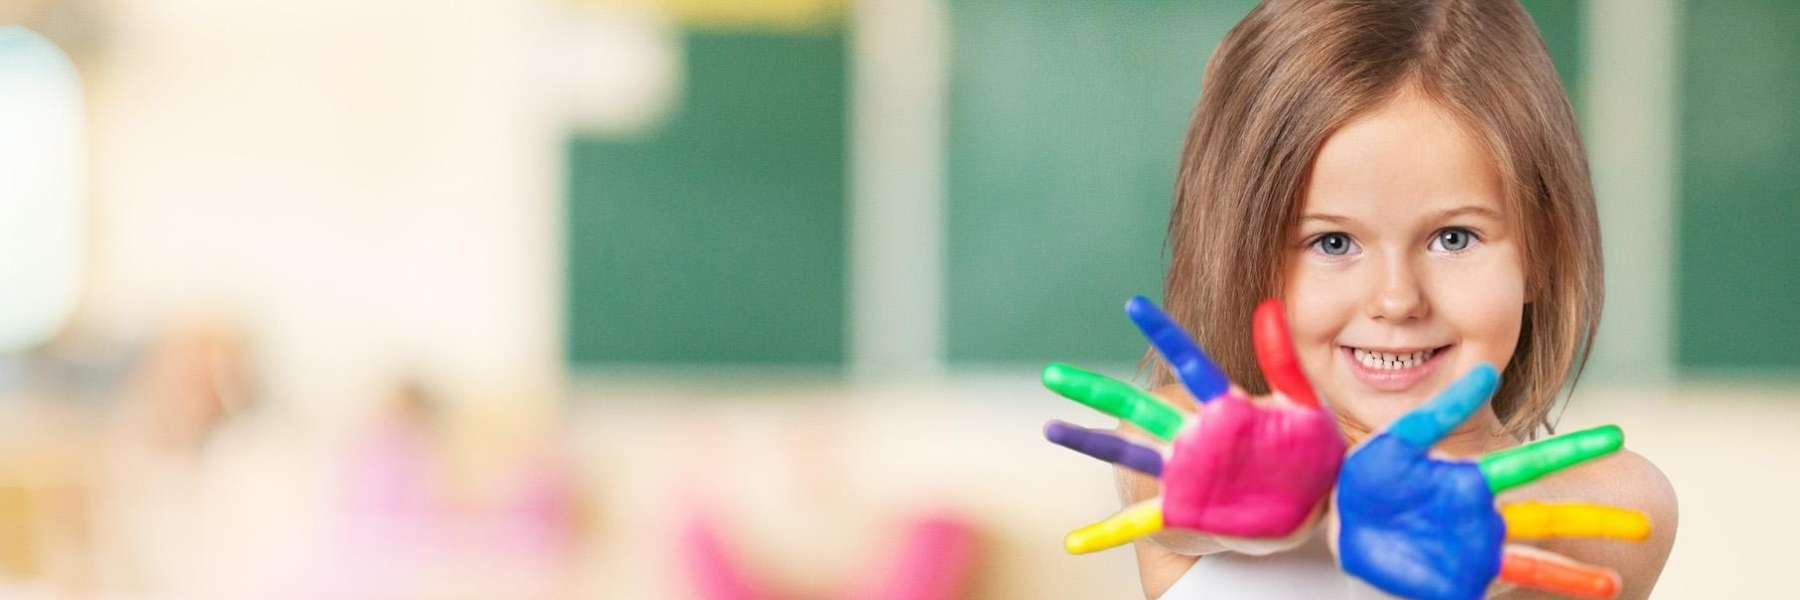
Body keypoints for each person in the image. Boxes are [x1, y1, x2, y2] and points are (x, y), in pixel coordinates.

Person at [1091, 1, 1676, 598]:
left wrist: (1470, 514)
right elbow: (1159, 455)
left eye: (1454, 238)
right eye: (1333, 242)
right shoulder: (1194, 439)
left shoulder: (1604, 504)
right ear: (1246, 255)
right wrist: (1267, 483)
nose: (1397, 300)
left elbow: (1611, 512)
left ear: (1541, 253)